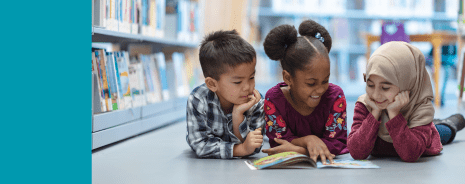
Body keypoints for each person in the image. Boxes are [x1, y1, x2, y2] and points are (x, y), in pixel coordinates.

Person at [347, 41, 465, 162]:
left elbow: (410, 154)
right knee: (431, 126)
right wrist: (374, 113)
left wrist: (394, 114)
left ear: (406, 82)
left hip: (422, 139)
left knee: (441, 132)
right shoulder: (365, 104)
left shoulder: (420, 107)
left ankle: (450, 123)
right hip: (407, 128)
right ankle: (434, 123)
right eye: (370, 85)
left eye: (385, 88)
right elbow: (356, 152)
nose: (376, 95)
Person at [261, 20, 349, 165]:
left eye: (325, 80)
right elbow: (279, 144)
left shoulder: (335, 96)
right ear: (288, 78)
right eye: (311, 83)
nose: (320, 89)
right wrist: (309, 140)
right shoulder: (274, 99)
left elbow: (338, 144)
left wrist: (299, 150)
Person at [185, 30, 265, 159]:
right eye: (238, 82)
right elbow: (200, 145)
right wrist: (241, 149)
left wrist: (237, 116)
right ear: (212, 84)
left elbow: (254, 147)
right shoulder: (199, 99)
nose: (248, 87)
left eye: (251, 77)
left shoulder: (256, 101)